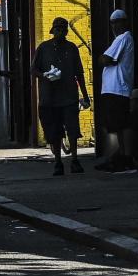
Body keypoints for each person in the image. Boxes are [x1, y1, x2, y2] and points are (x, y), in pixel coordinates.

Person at [32, 18, 88, 176]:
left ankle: (75, 159)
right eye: (57, 29)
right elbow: (33, 69)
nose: (60, 32)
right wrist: (45, 75)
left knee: (72, 129)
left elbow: (79, 74)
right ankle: (58, 161)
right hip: (50, 98)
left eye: (63, 30)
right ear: (53, 31)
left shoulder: (71, 49)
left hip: (69, 97)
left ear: (66, 32)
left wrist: (85, 95)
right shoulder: (43, 48)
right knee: (54, 131)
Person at [96, 10, 137, 171]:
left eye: (117, 21)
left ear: (124, 22)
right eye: (112, 22)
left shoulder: (123, 38)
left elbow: (104, 59)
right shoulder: (122, 39)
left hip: (117, 88)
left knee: (120, 125)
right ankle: (119, 156)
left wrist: (103, 59)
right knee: (116, 125)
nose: (114, 25)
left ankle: (124, 158)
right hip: (115, 89)